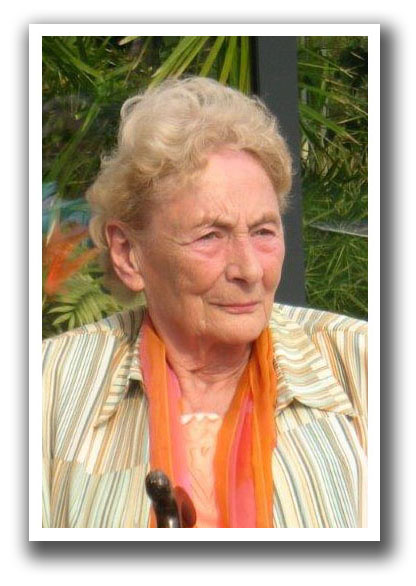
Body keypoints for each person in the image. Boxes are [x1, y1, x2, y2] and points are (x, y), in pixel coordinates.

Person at [42, 77, 367, 528]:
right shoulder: (46, 388)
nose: (249, 270)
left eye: (264, 231)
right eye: (210, 236)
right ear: (128, 253)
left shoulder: (366, 369)